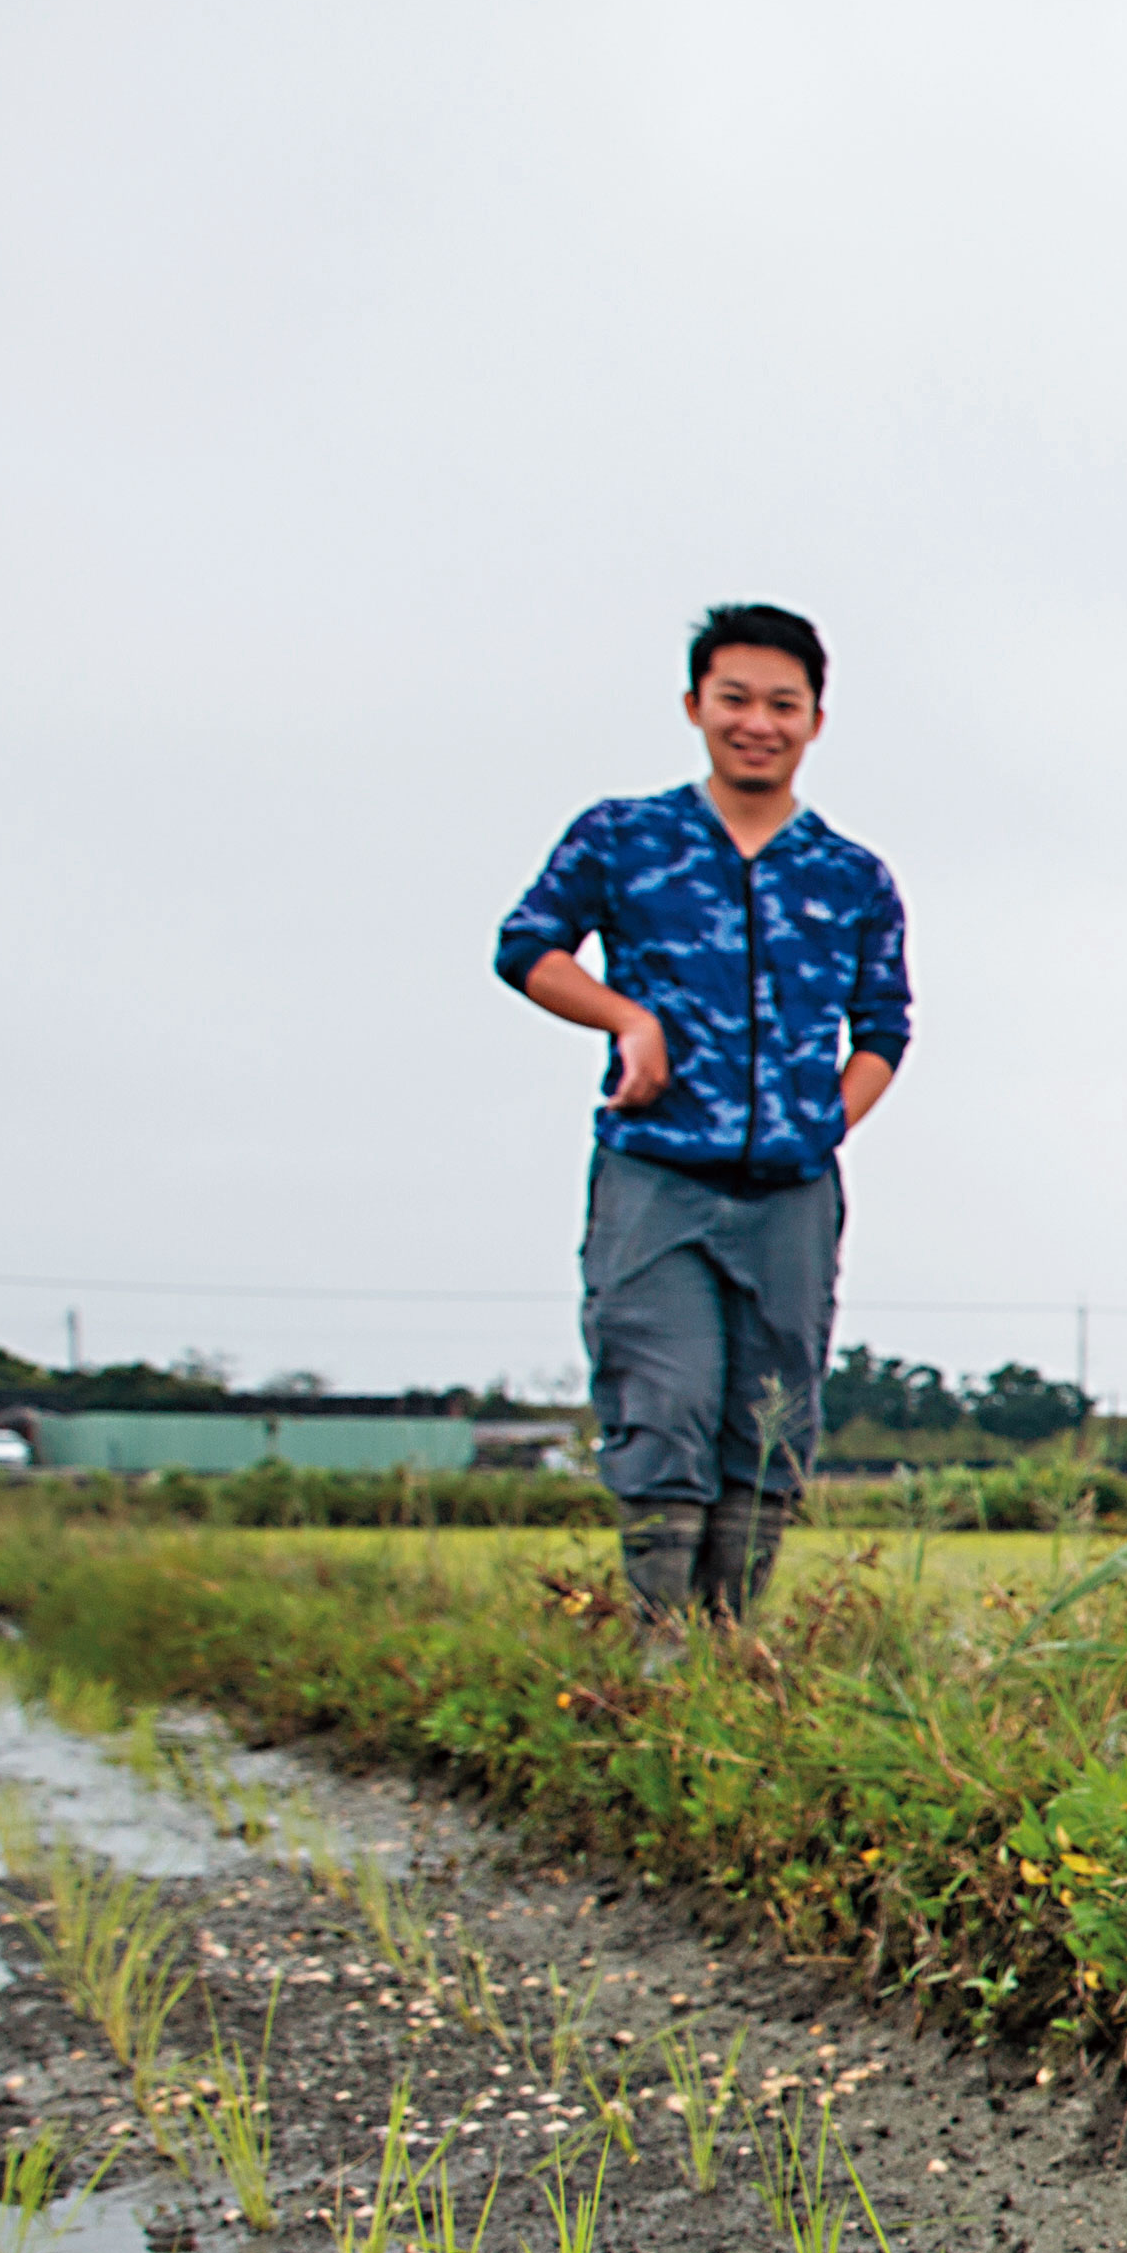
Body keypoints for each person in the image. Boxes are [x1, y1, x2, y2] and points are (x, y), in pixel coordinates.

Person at [493, 601, 912, 1654]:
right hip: (656, 1173)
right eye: (735, 700)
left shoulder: (849, 875)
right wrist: (627, 1018)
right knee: (665, 1395)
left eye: (783, 704)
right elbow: (528, 947)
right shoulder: (625, 838)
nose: (757, 723)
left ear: (816, 719)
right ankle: (658, 1645)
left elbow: (885, 1026)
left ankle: (733, 1642)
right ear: (695, 707)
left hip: (791, 1190)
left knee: (770, 1417)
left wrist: (826, 1126)